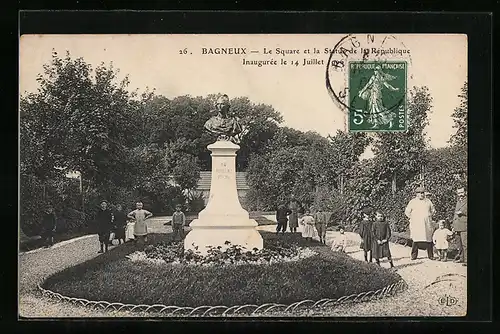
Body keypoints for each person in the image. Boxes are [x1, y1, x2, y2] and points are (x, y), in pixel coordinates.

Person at [357, 65, 400, 129]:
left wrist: (394, 89)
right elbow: (368, 85)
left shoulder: (381, 78)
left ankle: (390, 120)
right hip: (372, 94)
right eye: (374, 70)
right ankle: (376, 123)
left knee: (378, 108)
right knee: (373, 108)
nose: (375, 71)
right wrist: (362, 91)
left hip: (377, 95)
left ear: (379, 71)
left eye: (376, 70)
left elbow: (388, 86)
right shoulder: (373, 77)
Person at [405, 186, 436, 260]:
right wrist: (412, 218)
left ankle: (430, 255)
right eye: (420, 193)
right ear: (416, 194)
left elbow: (433, 210)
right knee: (416, 239)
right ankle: (414, 255)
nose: (422, 194)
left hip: (426, 223)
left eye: (423, 193)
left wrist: (428, 216)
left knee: (428, 239)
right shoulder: (412, 202)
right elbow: (407, 212)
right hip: (417, 224)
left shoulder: (428, 201)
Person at [451, 187, 467, 266]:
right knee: (459, 244)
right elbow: (455, 214)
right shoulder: (458, 201)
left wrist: (463, 212)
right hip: (457, 225)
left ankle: (466, 260)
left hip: (464, 225)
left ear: (465, 192)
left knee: (465, 244)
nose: (460, 194)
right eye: (459, 193)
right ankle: (461, 258)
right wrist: (453, 225)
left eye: (462, 192)